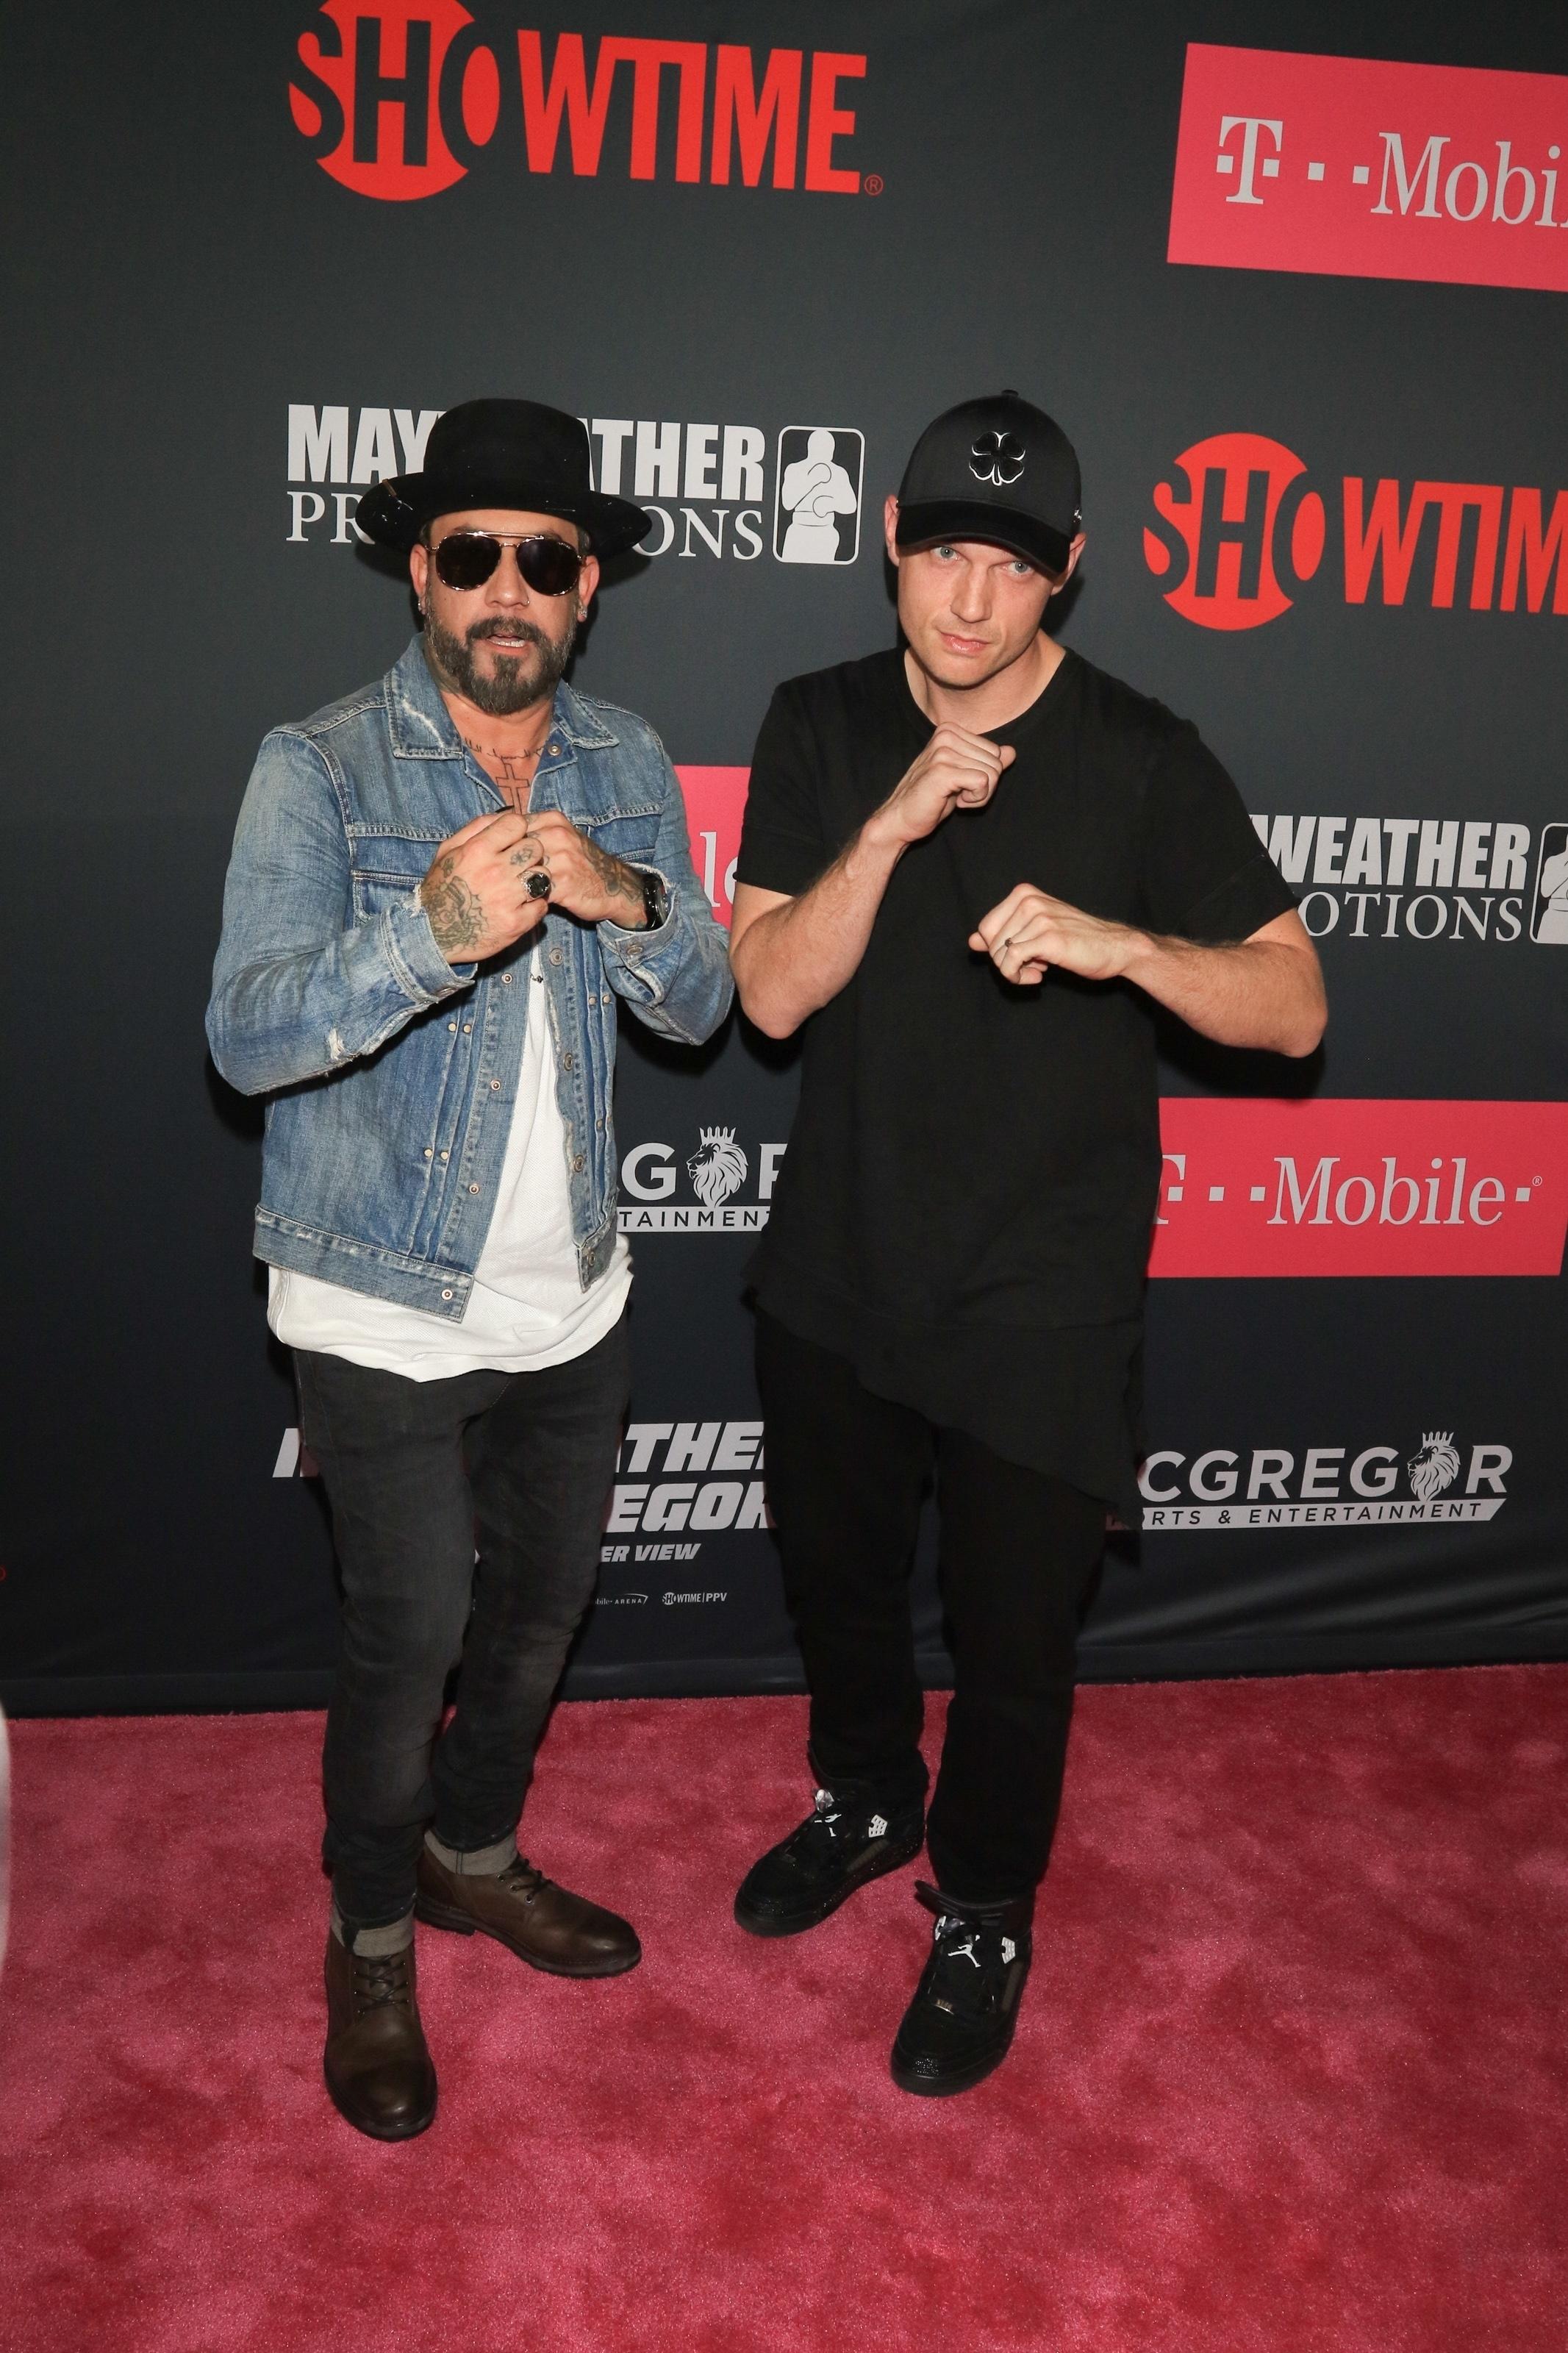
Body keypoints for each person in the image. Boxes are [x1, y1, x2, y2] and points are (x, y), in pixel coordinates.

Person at [728, 391, 1325, 2097]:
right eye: (939, 555)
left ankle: (983, 1904)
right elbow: (765, 991)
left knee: (1012, 1648)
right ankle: (859, 1796)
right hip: (839, 1260)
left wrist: (1120, 940)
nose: (968, 601)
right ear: (889, 549)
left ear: (1066, 570)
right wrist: (894, 824)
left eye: (1008, 563)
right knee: (837, 1593)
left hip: (1040, 1298)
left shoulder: (1141, 753)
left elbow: (1288, 1011)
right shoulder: (819, 724)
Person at [207, 399, 732, 2140]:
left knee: (535, 1619)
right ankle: (369, 1940)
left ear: (586, 589)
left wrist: (626, 901)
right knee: (410, 1627)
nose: (507, 588)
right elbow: (248, 1035)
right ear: (419, 573)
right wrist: (426, 934)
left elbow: (708, 1000)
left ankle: (469, 1850)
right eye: (470, 555)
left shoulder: (625, 759)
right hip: (374, 1290)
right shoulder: (320, 764)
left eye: (544, 560)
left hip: (570, 1289)